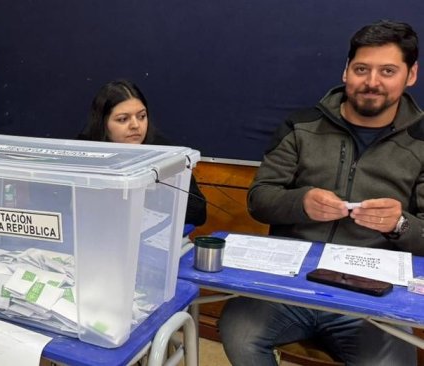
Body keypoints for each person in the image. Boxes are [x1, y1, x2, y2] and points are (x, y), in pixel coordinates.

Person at [219, 20, 423, 365]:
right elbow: (260, 198)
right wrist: (301, 204)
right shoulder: (301, 126)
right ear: (346, 71)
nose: (372, 82)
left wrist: (398, 224)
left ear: (411, 74)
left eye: (388, 71)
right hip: (288, 286)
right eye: (362, 69)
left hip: (372, 297)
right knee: (239, 334)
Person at [78, 79, 207, 226]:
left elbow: (199, 214)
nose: (135, 125)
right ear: (103, 124)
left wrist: (168, 190)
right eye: (123, 119)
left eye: (141, 116)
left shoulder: (163, 151)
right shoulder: (85, 151)